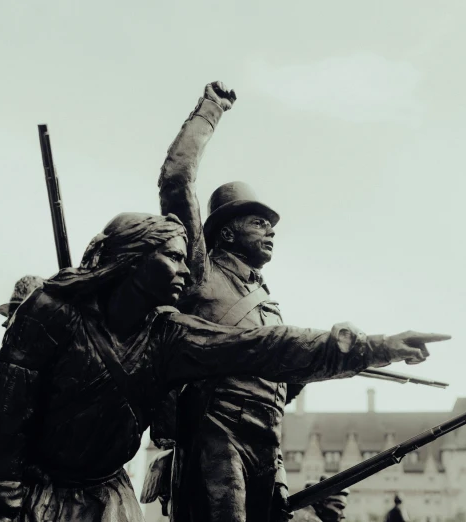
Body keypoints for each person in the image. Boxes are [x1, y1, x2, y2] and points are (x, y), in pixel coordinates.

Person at [0, 212, 448, 522]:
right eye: (172, 258)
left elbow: (268, 347)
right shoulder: (50, 311)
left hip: (107, 498)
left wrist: (376, 346)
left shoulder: (169, 334)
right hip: (38, 497)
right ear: (133, 258)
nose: (188, 271)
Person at [157, 82, 437, 522]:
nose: (271, 231)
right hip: (214, 436)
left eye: (272, 225)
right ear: (226, 231)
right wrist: (210, 109)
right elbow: (177, 179)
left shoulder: (268, 304)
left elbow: (284, 380)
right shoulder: (198, 272)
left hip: (267, 444)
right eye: (258, 221)